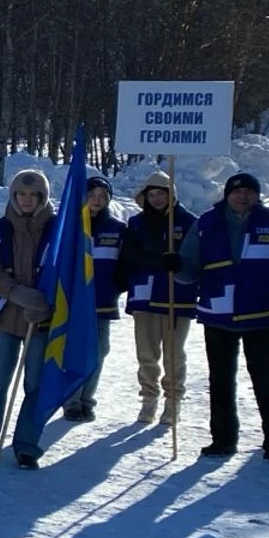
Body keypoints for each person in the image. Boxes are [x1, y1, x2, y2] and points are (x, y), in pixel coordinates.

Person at [178, 171, 269, 466]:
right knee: (221, 382)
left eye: (249, 191)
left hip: (259, 316)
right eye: (236, 192)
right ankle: (223, 439)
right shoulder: (205, 224)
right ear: (227, 195)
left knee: (268, 384)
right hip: (217, 316)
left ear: (257, 195)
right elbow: (189, 272)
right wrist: (176, 266)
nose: (242, 196)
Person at [0, 170, 57, 469]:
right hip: (5, 316)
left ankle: (27, 445)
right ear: (14, 196)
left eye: (33, 195)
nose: (27, 200)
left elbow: (68, 273)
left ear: (43, 198)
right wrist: (17, 293)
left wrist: (44, 302)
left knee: (36, 383)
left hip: (42, 320)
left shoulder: (58, 230)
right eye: (21, 194)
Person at [120, 169, 197, 425]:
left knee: (174, 353)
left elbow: (195, 258)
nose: (156, 199)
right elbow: (131, 256)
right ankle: (148, 398)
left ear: (170, 194)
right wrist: (158, 260)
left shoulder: (187, 222)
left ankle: (173, 400)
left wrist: (179, 263)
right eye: (151, 194)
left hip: (177, 296)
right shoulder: (137, 223)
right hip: (145, 295)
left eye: (160, 194)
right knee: (146, 352)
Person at [66, 177, 126, 422]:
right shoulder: (70, 227)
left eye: (103, 196)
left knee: (99, 352)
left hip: (103, 302)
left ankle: (87, 400)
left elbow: (126, 264)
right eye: (92, 195)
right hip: (73, 303)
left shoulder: (118, 228)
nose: (97, 200)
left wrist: (118, 284)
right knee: (75, 352)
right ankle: (71, 402)